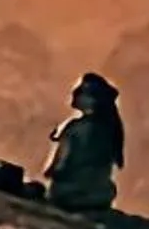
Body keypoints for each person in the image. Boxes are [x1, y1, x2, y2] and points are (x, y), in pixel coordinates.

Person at [43, 71, 125, 213]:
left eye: (81, 91)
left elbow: (62, 165)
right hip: (99, 196)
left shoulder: (75, 129)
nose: (75, 93)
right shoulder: (109, 130)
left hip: (70, 196)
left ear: (92, 99)